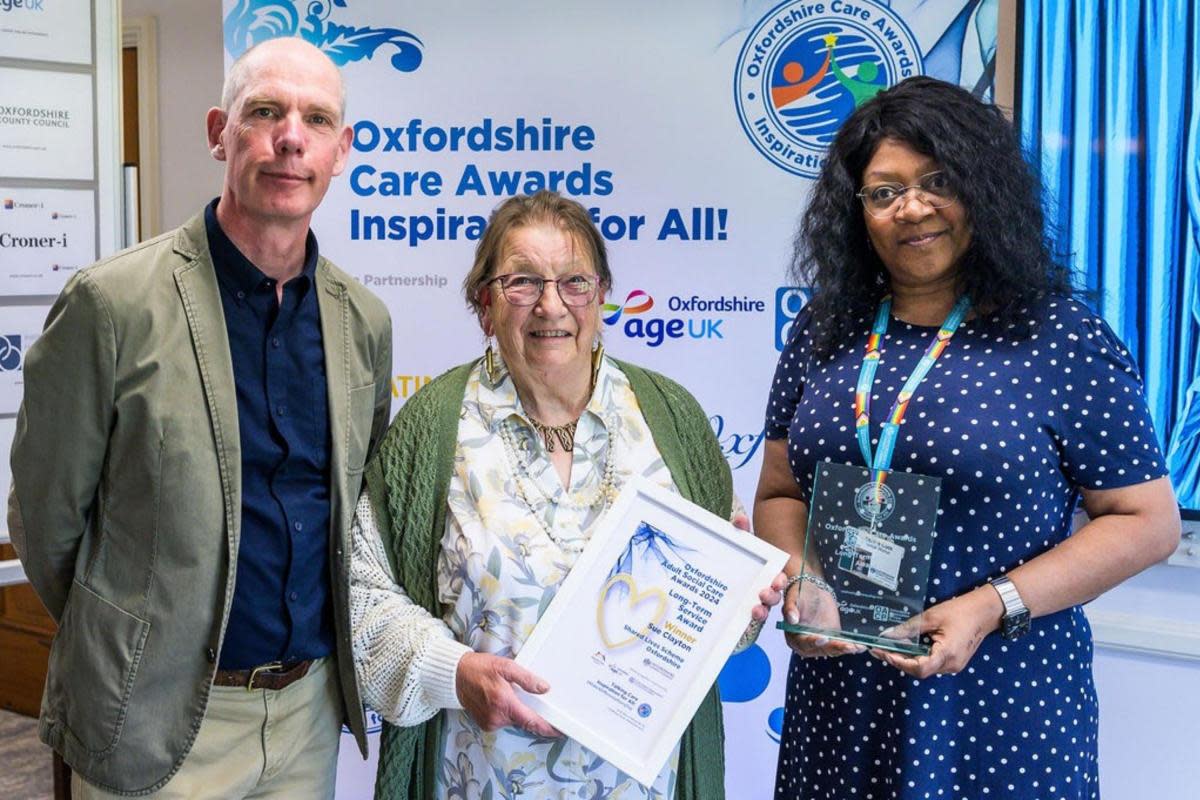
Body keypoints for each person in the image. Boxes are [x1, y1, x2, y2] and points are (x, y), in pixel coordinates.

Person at [754, 76, 1180, 799]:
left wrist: (990, 606)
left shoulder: (1060, 337)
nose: (912, 208)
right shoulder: (824, 329)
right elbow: (779, 492)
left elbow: (1147, 523)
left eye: (937, 181)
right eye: (884, 192)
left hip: (1002, 700)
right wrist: (804, 580)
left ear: (982, 188)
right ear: (857, 214)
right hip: (842, 700)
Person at [7, 37, 392, 799]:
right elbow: (46, 523)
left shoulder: (363, 323)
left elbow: (353, 516)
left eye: (316, 119)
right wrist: (132, 640)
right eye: (265, 111)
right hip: (156, 720)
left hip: (307, 717)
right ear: (220, 131)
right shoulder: (111, 304)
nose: (290, 137)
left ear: (341, 150)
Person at [350, 190, 783, 799]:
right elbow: (364, 596)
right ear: (485, 303)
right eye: (522, 281)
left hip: (643, 786)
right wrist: (456, 673)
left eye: (574, 281)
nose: (551, 305)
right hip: (480, 777)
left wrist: (743, 606)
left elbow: (716, 624)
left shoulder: (670, 419)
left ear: (601, 294)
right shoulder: (433, 427)